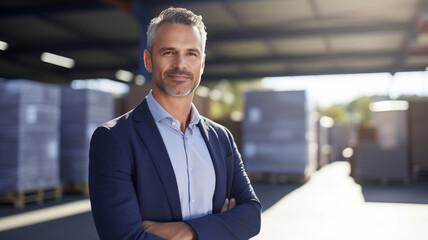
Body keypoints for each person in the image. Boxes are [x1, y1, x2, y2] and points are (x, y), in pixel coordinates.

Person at [89, 7, 261, 240]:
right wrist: (221, 227)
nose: (180, 64)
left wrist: (186, 232)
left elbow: (251, 216)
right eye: (169, 52)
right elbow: (124, 237)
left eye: (191, 53)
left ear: (202, 64)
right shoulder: (114, 139)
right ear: (148, 61)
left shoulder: (222, 139)